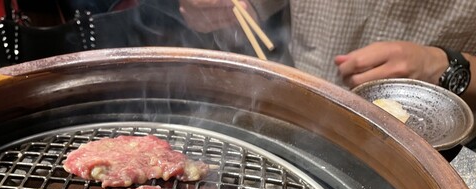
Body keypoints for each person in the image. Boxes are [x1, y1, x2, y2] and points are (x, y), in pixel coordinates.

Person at [178, 0, 476, 109]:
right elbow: (248, 7)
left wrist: (442, 66)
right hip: (294, 103)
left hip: (416, 144)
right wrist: (217, 11)